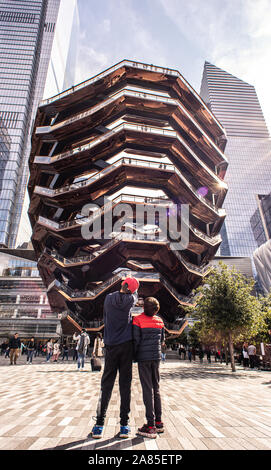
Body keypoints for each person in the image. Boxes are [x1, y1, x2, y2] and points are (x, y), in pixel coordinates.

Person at [91, 277, 139, 439]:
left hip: (110, 345)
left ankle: (99, 424)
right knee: (125, 386)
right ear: (132, 290)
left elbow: (105, 316)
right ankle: (124, 425)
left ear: (122, 285)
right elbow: (134, 297)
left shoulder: (109, 298)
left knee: (106, 385)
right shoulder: (131, 299)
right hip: (126, 346)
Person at [133, 297, 165, 439]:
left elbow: (136, 341)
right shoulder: (160, 321)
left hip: (144, 358)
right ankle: (158, 422)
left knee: (147, 389)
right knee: (156, 389)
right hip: (156, 357)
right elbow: (162, 339)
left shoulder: (137, 320)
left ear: (144, 307)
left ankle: (150, 425)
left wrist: (134, 356)